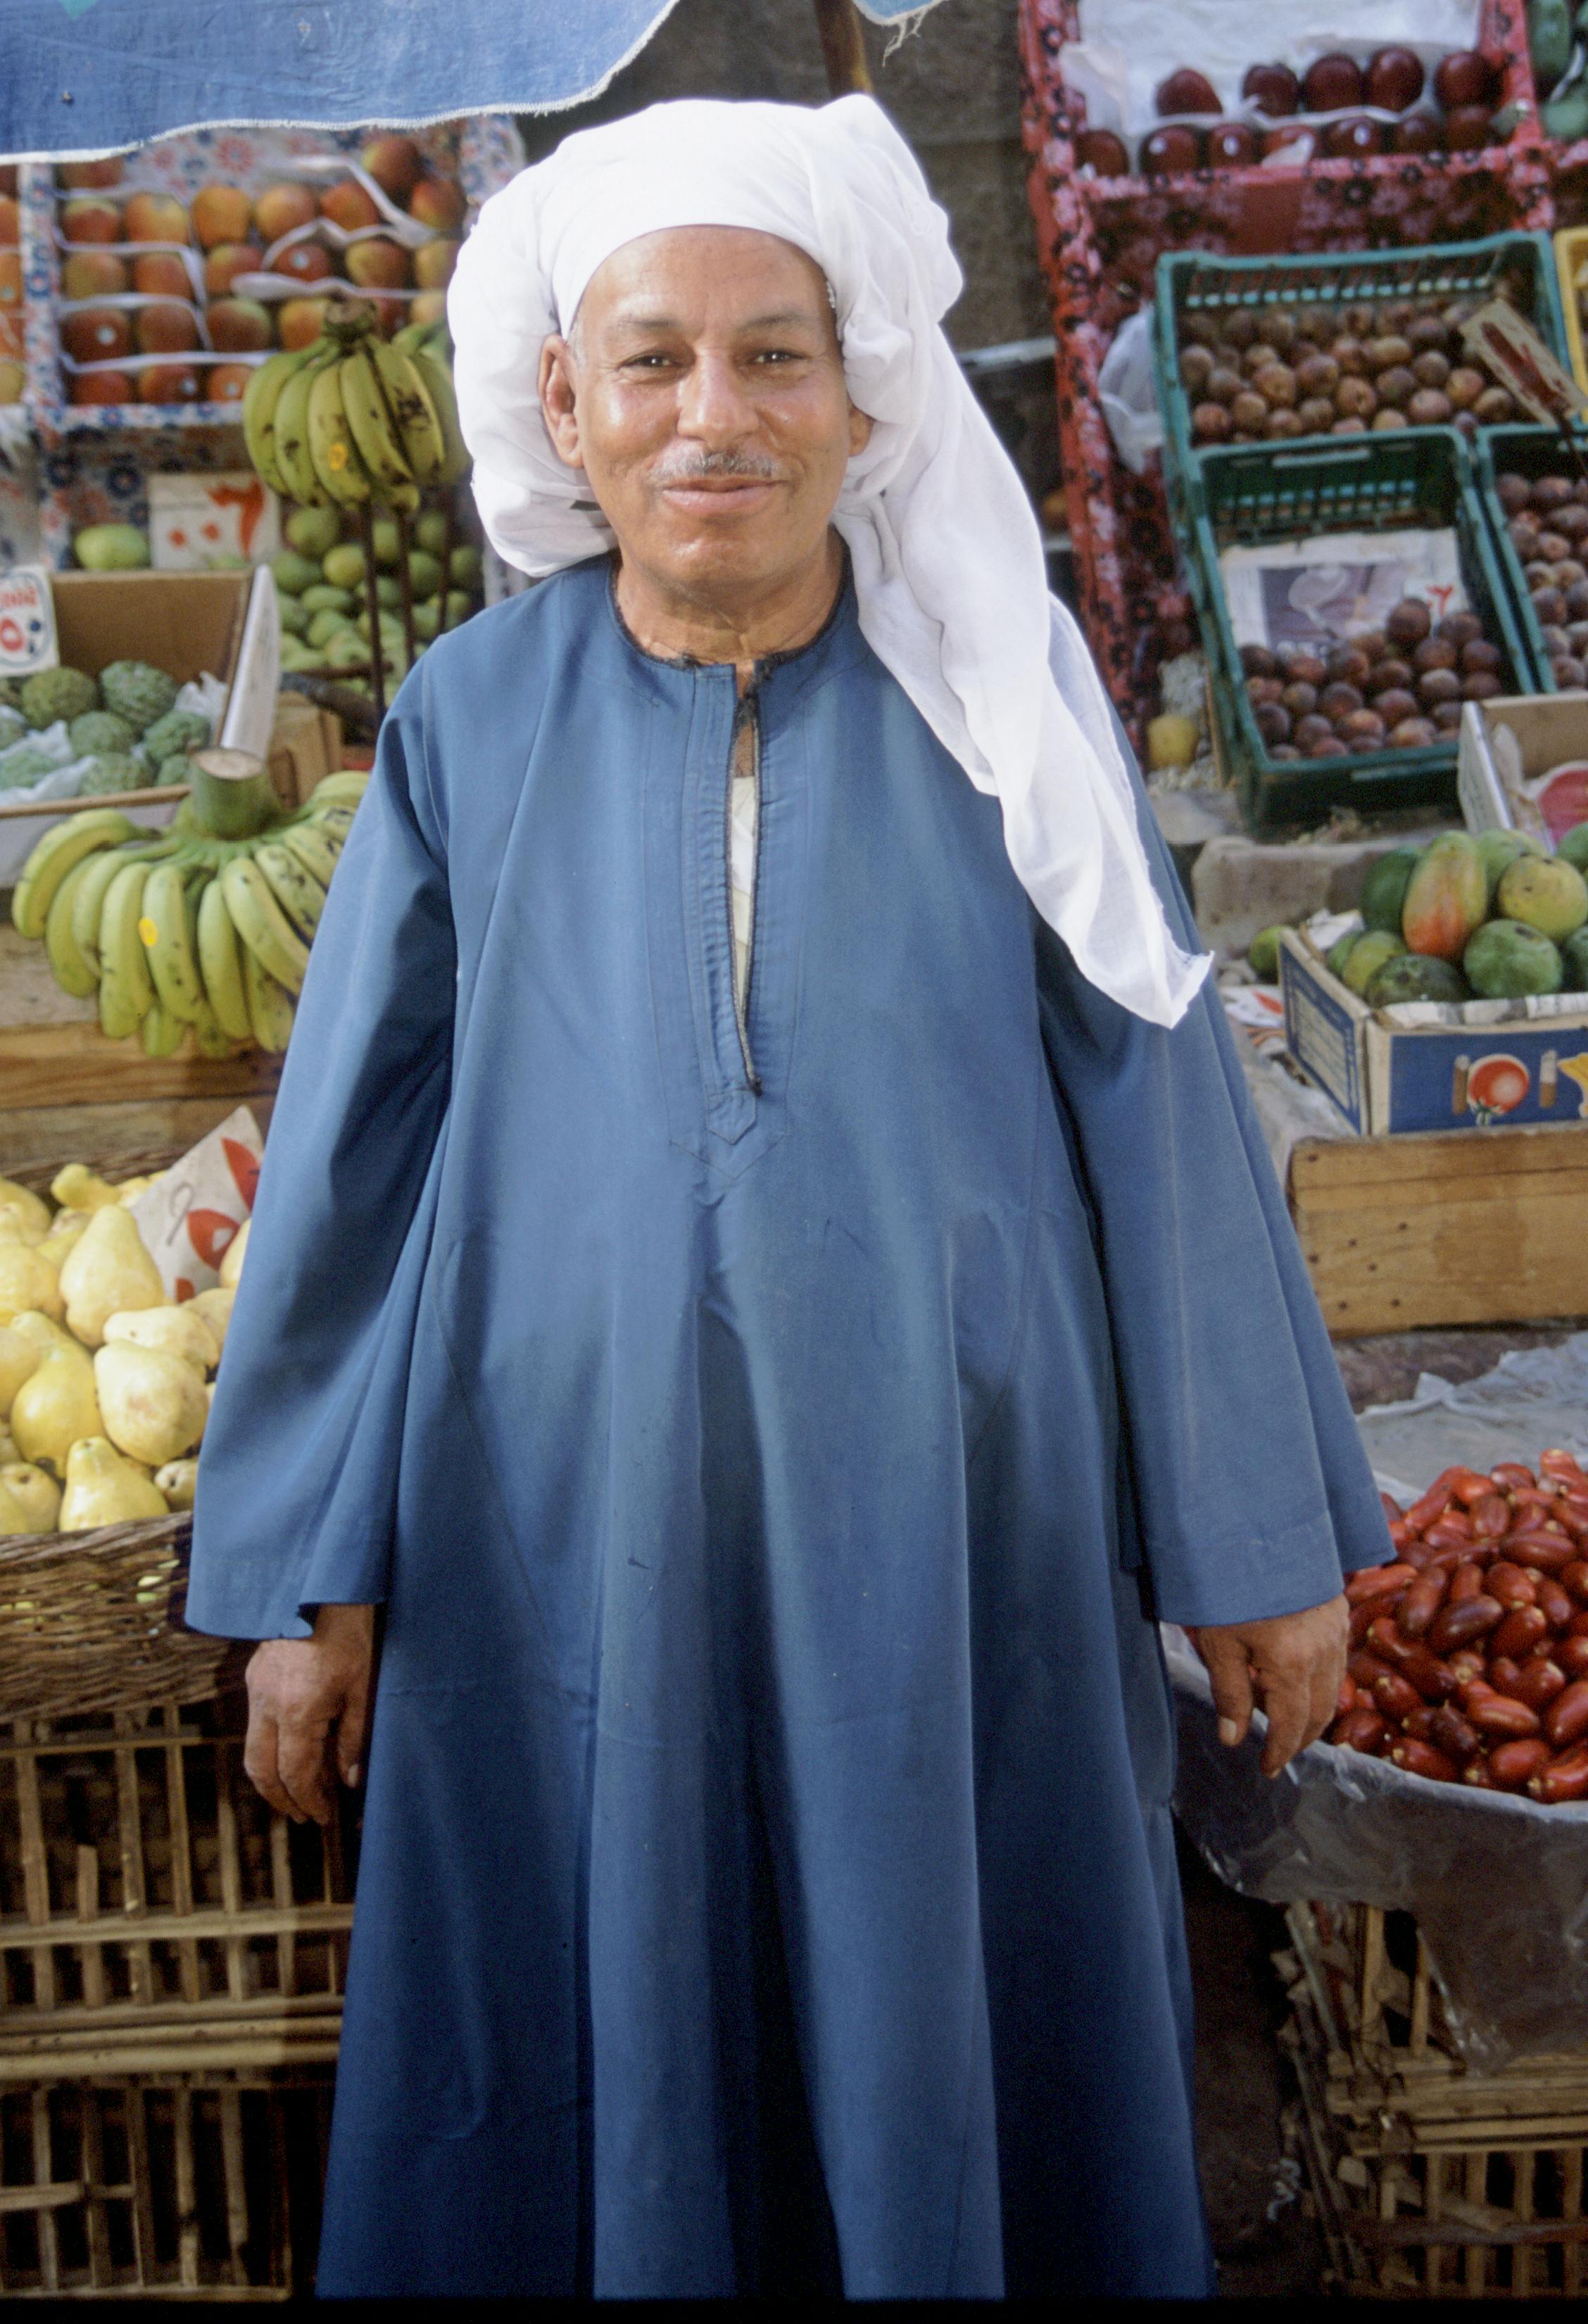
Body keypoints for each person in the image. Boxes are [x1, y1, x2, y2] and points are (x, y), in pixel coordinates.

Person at [187, 94, 1388, 2299]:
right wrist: (300, 1568)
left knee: (959, 2032)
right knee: (598, 2042)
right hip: (557, 1547)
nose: (712, 417)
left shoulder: (1006, 716)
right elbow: (354, 1166)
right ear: (568, 403)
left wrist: (1253, 1537)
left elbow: (1160, 1112)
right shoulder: (467, 722)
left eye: (774, 356)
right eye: (652, 361)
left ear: (866, 399)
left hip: (955, 1552)